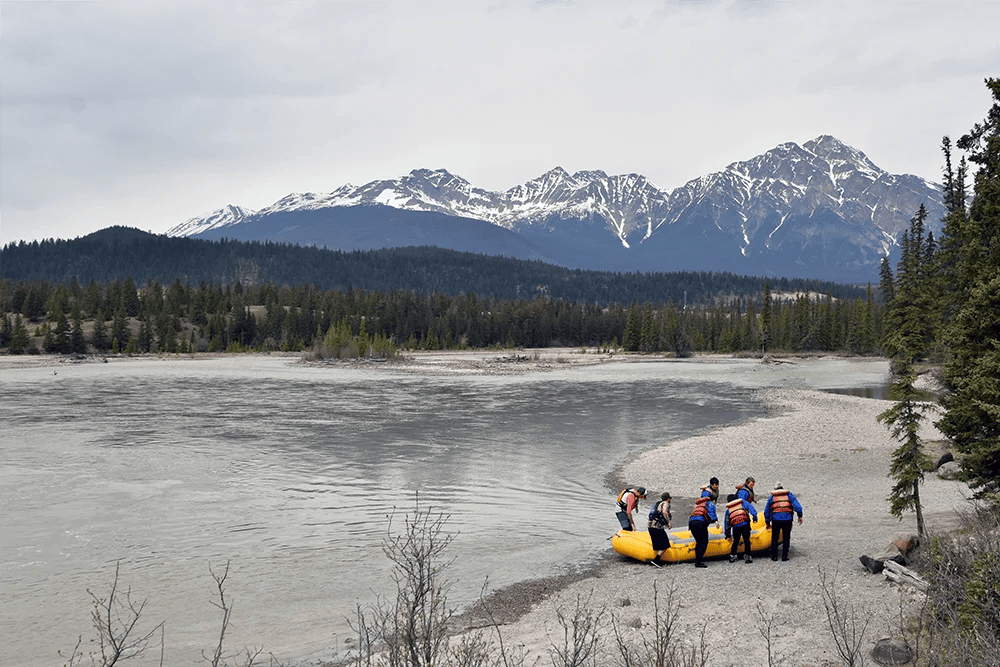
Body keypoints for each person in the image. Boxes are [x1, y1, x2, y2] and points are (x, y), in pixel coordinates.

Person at [764, 483, 804, 561]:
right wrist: (800, 516)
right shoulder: (789, 495)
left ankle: (774, 556)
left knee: (775, 537)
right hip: (787, 520)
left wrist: (768, 522)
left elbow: (767, 511)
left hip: (776, 520)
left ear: (775, 490)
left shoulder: (772, 497)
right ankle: (784, 556)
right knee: (786, 538)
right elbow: (798, 507)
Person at [688, 485, 718, 568]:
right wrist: (716, 521)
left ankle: (697, 560)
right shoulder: (711, 503)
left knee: (699, 541)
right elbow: (712, 516)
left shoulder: (700, 504)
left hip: (691, 523)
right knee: (703, 542)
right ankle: (699, 562)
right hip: (700, 523)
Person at [724, 495, 759, 563]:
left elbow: (727, 523)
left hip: (736, 526)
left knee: (736, 541)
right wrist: (755, 517)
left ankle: (732, 556)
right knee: (746, 540)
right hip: (745, 524)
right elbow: (752, 509)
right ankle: (748, 557)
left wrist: (727, 534)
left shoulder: (728, 510)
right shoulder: (743, 503)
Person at [647, 492, 672, 567]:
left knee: (657, 545)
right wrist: (669, 522)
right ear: (668, 499)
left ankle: (657, 560)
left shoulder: (658, 504)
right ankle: (656, 560)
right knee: (666, 544)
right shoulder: (665, 504)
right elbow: (664, 512)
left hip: (650, 526)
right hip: (657, 527)